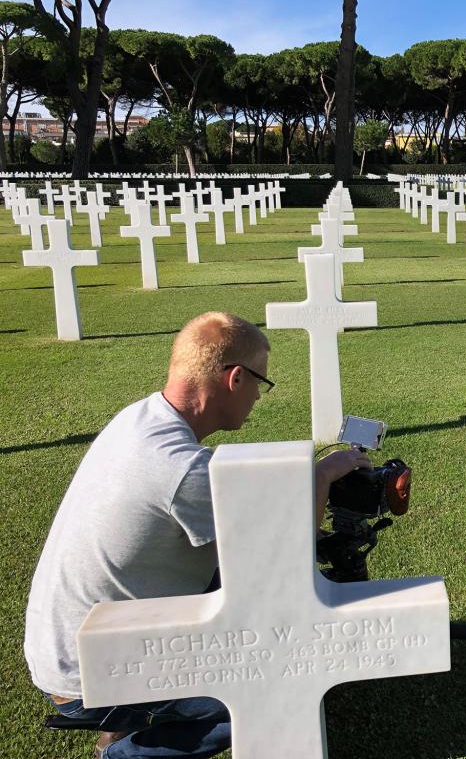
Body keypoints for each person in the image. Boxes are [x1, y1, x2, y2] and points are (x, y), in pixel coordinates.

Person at [24, 311, 370, 759]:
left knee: (241, 594)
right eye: (261, 384)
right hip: (87, 672)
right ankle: (124, 749)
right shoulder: (180, 470)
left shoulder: (142, 418)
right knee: (275, 690)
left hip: (78, 637)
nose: (259, 398)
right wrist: (321, 478)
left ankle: (138, 713)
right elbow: (287, 556)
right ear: (235, 379)